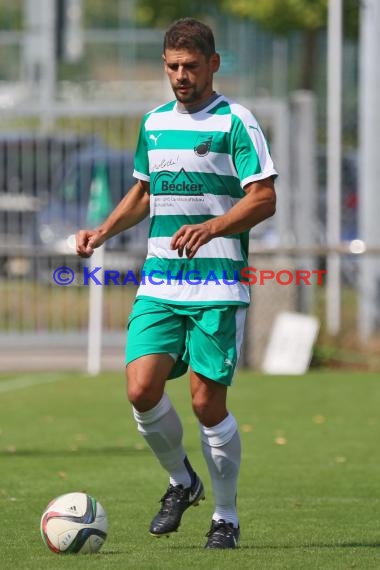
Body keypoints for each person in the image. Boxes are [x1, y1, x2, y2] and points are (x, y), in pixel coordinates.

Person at [76, 17, 277, 549]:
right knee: (141, 389)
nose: (181, 76)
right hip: (161, 279)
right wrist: (101, 233)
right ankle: (182, 482)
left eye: (190, 66)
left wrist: (211, 227)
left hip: (217, 285)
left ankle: (225, 517)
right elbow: (144, 192)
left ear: (213, 63)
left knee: (207, 404)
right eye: (172, 67)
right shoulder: (154, 122)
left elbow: (264, 197)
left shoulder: (238, 121)